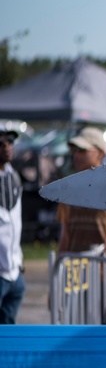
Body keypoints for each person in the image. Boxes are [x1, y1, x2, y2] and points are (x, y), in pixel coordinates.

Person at [56, 126, 106, 256]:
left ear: (101, 153)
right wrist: (57, 267)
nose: (76, 155)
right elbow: (65, 238)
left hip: (104, 272)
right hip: (74, 272)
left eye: (82, 150)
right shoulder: (68, 189)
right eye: (74, 150)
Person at [0, 129, 25, 324]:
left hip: (14, 272)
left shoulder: (13, 177)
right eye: (1, 143)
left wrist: (18, 261)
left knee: (8, 332)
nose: (7, 147)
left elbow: (14, 221)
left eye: (9, 142)